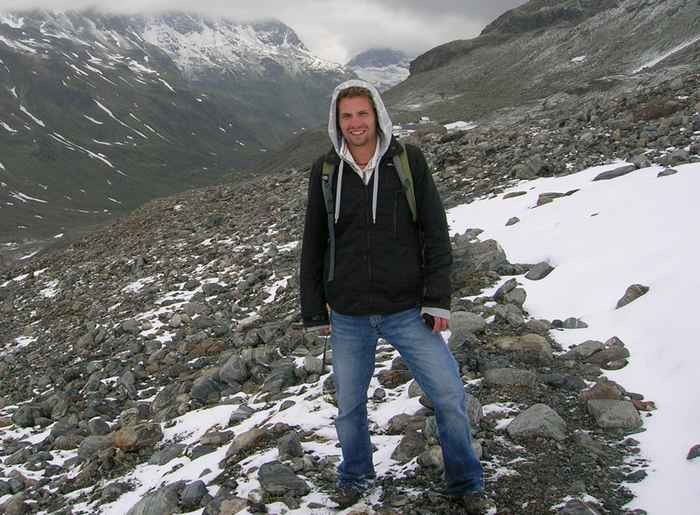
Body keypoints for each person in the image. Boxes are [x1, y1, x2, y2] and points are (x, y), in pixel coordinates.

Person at [299, 79, 485, 512]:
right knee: (349, 407)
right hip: (348, 313)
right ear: (337, 121)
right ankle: (356, 475)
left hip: (407, 309)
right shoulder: (326, 170)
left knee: (448, 395)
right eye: (346, 116)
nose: (355, 123)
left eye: (362, 114)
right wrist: (314, 309)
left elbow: (435, 231)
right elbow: (314, 241)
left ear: (377, 115)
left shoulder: (407, 161)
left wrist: (437, 298)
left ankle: (465, 481)